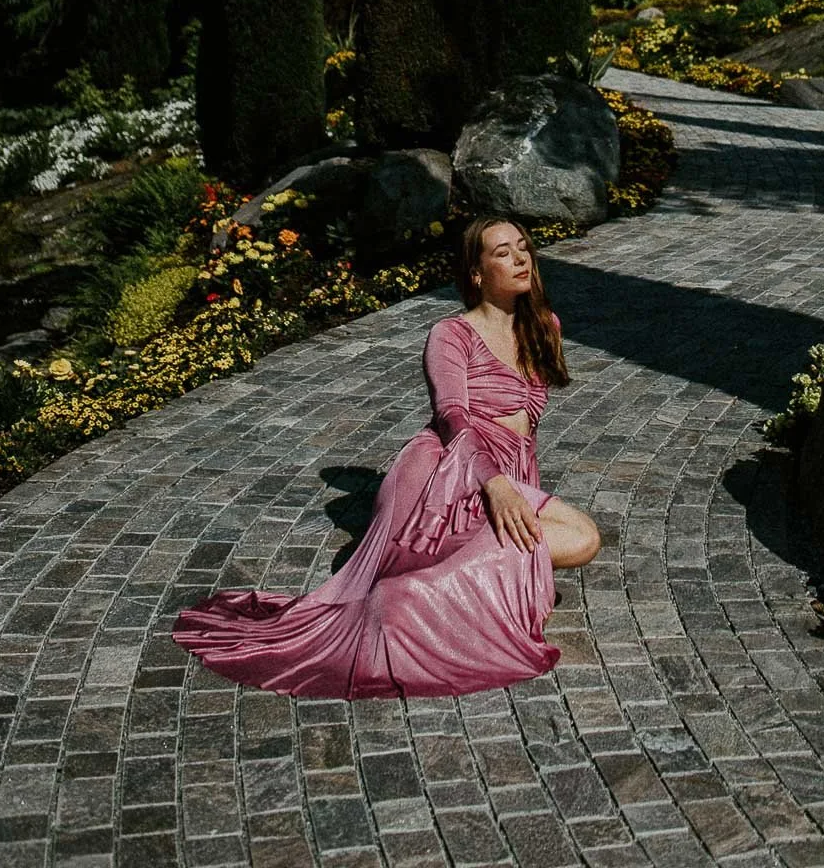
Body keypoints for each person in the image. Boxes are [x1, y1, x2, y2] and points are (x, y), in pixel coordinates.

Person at [171, 215, 601, 698]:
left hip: (508, 470)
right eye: (502, 252)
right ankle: (407, 597)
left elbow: (528, 429)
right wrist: (496, 486)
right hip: (450, 471)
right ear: (477, 273)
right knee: (583, 538)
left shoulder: (545, 326)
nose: (520, 258)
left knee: (567, 549)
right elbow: (452, 418)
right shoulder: (451, 334)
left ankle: (430, 584)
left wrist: (518, 484)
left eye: (522, 247)